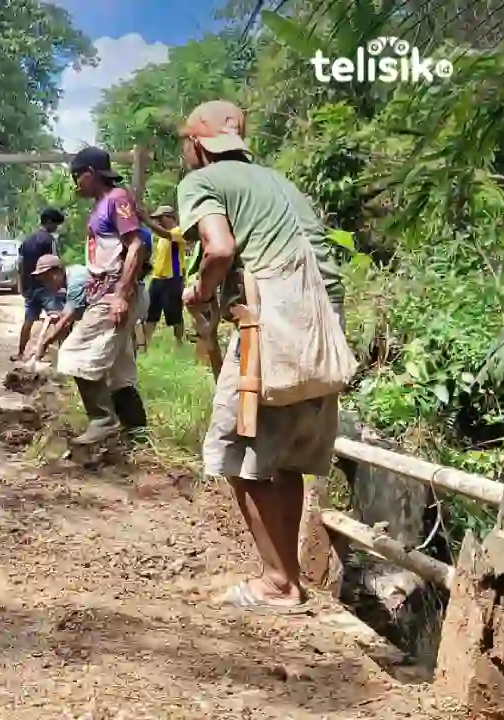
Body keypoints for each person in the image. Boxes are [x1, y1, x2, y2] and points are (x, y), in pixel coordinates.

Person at [178, 100, 349, 611]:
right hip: (324, 326)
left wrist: (201, 292)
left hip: (273, 320)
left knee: (234, 448)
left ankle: (276, 582)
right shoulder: (280, 182)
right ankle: (288, 578)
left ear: (197, 145)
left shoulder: (201, 182)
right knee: (287, 459)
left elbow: (220, 249)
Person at [47, 146, 150, 444]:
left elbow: (136, 246)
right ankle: (138, 437)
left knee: (73, 354)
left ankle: (102, 420)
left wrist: (120, 295)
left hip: (113, 294)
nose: (76, 183)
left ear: (90, 173)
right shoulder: (107, 203)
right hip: (110, 293)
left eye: (77, 176)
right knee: (120, 372)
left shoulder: (116, 199)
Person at [14, 207, 65, 361]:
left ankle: (20, 352)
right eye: (55, 224)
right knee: (58, 319)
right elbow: (55, 263)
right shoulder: (50, 241)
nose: (56, 228)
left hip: (30, 287)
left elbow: (20, 265)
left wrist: (22, 285)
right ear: (49, 222)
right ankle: (63, 353)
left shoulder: (27, 241)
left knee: (28, 321)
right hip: (48, 287)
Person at [145, 205, 188, 344]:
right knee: (150, 313)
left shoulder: (177, 232)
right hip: (157, 279)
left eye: (160, 218)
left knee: (174, 314)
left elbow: (166, 234)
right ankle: (145, 344)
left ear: (170, 217)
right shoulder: (161, 237)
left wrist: (147, 221)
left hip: (172, 279)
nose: (158, 222)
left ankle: (179, 343)